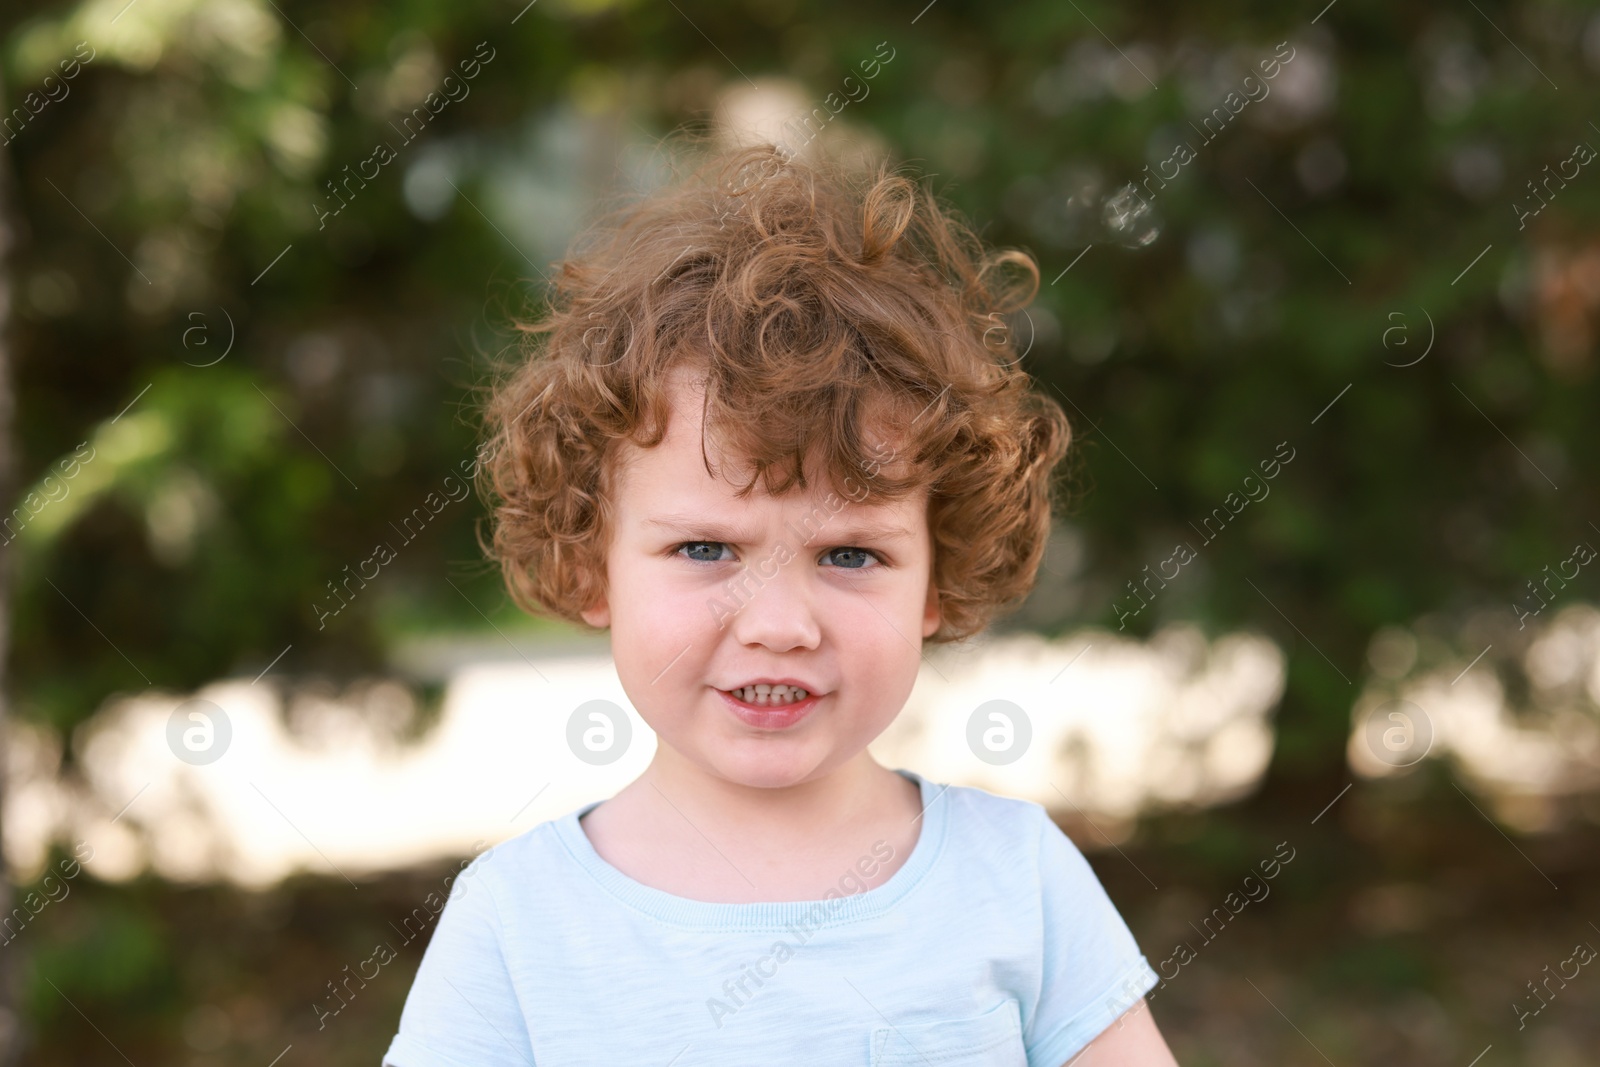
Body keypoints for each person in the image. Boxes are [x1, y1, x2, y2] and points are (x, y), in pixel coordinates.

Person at [382, 135, 1178, 1066]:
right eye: (706, 548)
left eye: (850, 554)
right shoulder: (517, 925)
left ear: (938, 574)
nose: (778, 625)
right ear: (594, 564)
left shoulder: (1017, 880)